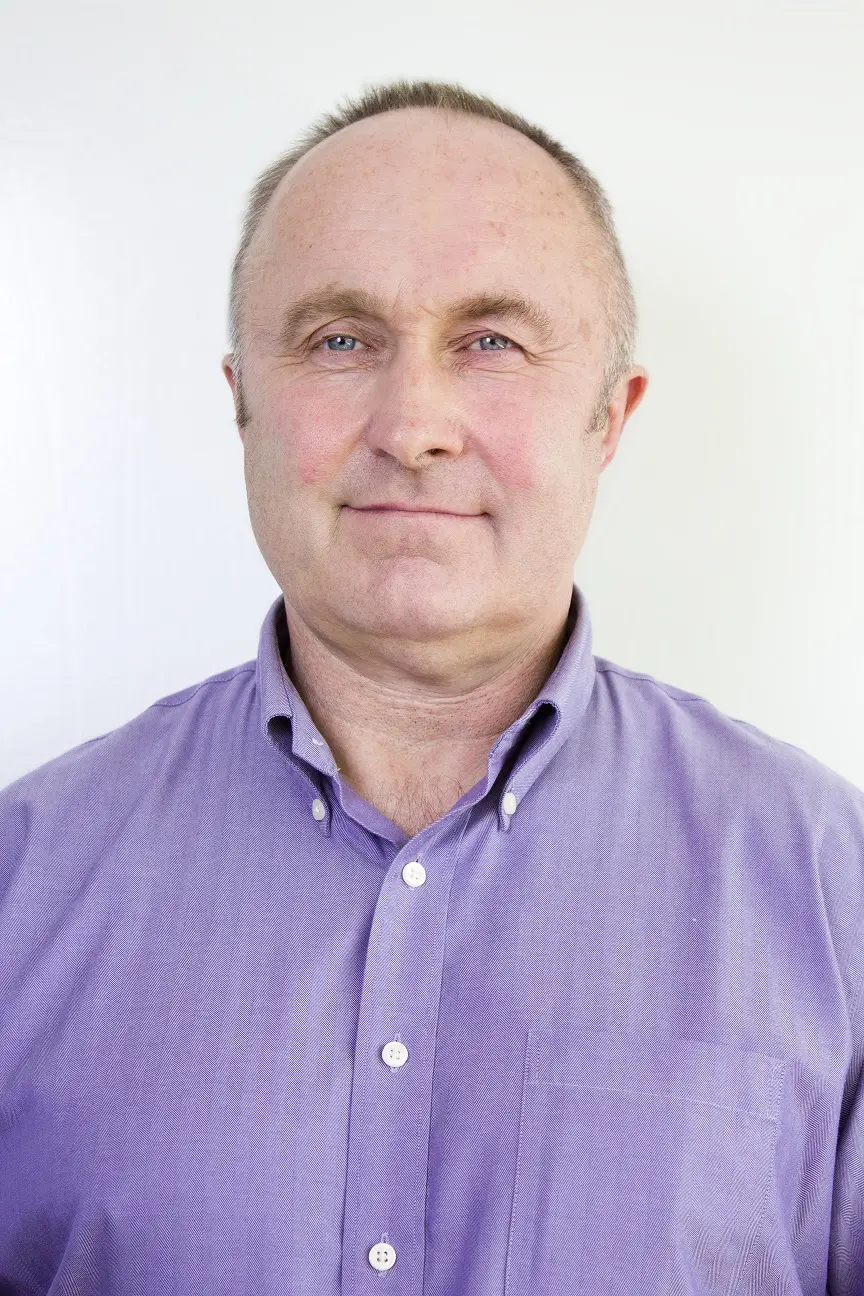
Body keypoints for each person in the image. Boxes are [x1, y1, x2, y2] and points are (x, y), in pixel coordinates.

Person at [1, 78, 862, 1296]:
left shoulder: (834, 893)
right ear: (242, 402)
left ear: (611, 418)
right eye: (339, 340)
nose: (414, 426)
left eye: (491, 342)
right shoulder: (23, 882)